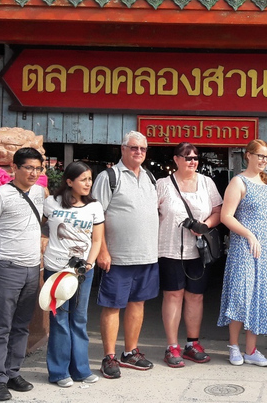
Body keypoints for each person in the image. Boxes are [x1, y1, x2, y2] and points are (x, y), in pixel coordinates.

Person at [0, 147, 47, 401]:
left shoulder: (39, 193)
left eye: (38, 168)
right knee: (2, 327)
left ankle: (13, 372)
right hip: (6, 267)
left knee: (22, 326)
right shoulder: (0, 195)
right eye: (28, 167)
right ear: (14, 168)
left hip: (31, 269)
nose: (33, 173)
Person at [92, 131, 159, 379]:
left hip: (147, 255)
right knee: (112, 306)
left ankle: (130, 352)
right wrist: (102, 251)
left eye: (142, 148)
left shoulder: (151, 177)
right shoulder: (108, 177)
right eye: (133, 148)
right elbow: (95, 217)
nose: (138, 152)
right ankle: (109, 357)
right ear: (123, 149)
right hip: (117, 257)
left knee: (137, 304)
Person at [218, 139, 267, 367]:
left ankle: (251, 350)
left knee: (260, 297)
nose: (263, 160)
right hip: (244, 247)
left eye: (266, 156)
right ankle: (233, 346)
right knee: (241, 294)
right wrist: (249, 235)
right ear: (248, 155)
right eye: (259, 155)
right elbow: (226, 216)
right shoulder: (238, 182)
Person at [156, 142, 223, 367]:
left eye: (195, 157)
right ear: (176, 159)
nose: (192, 161)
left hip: (199, 250)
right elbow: (151, 214)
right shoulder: (163, 184)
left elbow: (218, 211)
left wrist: (205, 225)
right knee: (173, 295)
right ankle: (172, 346)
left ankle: (192, 344)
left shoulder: (206, 183)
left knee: (196, 295)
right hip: (170, 249)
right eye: (187, 157)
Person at [42, 161, 105, 387]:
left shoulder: (94, 207)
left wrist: (88, 265)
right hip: (55, 269)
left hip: (81, 272)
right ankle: (59, 372)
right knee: (59, 319)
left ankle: (80, 369)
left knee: (79, 319)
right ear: (69, 181)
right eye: (83, 179)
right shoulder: (51, 203)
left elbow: (97, 240)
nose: (88, 183)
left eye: (90, 179)